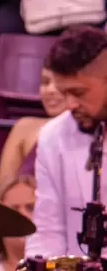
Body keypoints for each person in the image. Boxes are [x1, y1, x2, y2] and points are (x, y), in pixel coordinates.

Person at [27, 26, 107, 258]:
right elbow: (47, 229)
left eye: (78, 92)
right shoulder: (53, 136)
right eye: (65, 93)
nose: (70, 104)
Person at [0, 68, 67, 183]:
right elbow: (2, 189)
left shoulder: (95, 135)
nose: (50, 90)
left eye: (60, 83)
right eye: (45, 82)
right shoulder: (24, 128)